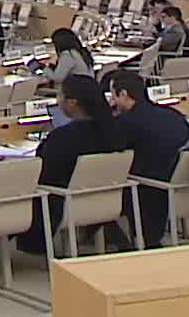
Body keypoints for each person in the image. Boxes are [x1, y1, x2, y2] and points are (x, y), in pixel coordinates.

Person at [17, 74, 127, 254]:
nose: (57, 100)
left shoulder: (63, 138)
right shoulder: (116, 132)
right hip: (105, 199)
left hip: (61, 202)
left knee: (8, 190)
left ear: (72, 103)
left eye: (60, 96)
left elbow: (42, 171)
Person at [106, 69, 189, 248]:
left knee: (97, 190)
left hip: (145, 189)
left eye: (112, 95)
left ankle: (122, 244)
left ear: (123, 94)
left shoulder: (125, 123)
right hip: (181, 183)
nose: (112, 101)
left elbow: (112, 153)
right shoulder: (174, 116)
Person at [150, 6, 189, 74]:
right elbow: (163, 37)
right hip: (163, 57)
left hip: (163, 58)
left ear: (172, 18)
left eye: (164, 17)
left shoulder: (176, 30)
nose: (161, 19)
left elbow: (164, 45)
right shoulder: (174, 27)